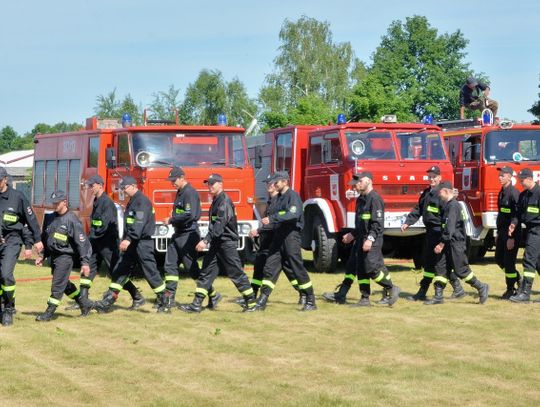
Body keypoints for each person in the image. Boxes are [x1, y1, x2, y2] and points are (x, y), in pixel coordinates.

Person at [179, 174, 256, 313]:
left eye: (212, 184)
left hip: (226, 243)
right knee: (206, 272)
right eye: (208, 184)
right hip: (217, 243)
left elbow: (219, 225)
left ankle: (251, 302)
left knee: (236, 273)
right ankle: (196, 304)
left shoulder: (224, 201)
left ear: (220, 184)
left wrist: (205, 240)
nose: (209, 187)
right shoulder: (216, 200)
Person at [93, 176, 166, 313]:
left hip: (142, 244)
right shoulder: (133, 201)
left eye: (125, 188)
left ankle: (164, 301)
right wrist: (127, 238)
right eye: (121, 189)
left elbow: (139, 223)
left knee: (150, 272)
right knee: (120, 271)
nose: (123, 191)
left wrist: (129, 239)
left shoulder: (142, 202)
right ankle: (107, 301)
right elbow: (131, 223)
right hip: (132, 243)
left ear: (133, 185)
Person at [73, 175, 145, 310]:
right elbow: (95, 224)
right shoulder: (96, 200)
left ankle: (137, 297)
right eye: (89, 186)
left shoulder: (107, 203)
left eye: (92, 185)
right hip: (96, 242)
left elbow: (104, 226)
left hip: (108, 244)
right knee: (88, 268)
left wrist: (92, 236)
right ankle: (83, 300)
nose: (90, 188)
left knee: (116, 271)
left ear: (100, 185)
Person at [249, 171, 317, 311]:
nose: (274, 184)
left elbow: (293, 214)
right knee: (270, 267)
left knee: (296, 267)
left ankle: (310, 300)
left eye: (276, 182)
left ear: (285, 182)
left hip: (291, 236)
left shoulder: (292, 196)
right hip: (278, 236)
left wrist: (272, 219)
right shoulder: (278, 198)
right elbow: (275, 216)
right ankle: (262, 300)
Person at [161, 167, 221, 313]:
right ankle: (169, 299)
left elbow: (191, 215)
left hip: (188, 234)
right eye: (171, 181)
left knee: (192, 269)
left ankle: (213, 294)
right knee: (169, 266)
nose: (172, 183)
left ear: (182, 177)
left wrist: (171, 219)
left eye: (174, 180)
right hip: (178, 234)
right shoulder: (180, 192)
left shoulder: (189, 192)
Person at [401, 166, 464, 303]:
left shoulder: (442, 194)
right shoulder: (426, 193)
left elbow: (447, 215)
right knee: (430, 262)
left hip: (439, 232)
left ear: (439, 178)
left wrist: (444, 236)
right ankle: (453, 289)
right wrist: (408, 222)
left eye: (434, 176)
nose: (431, 179)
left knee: (439, 264)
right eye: (429, 176)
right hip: (430, 232)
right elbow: (418, 209)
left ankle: (438, 293)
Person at [342, 172, 400, 307]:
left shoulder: (375, 199)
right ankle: (364, 298)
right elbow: (360, 224)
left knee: (371, 268)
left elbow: (377, 224)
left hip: (372, 240)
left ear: (368, 181)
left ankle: (391, 288)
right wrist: (352, 235)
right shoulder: (360, 199)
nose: (356, 185)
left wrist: (370, 239)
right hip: (361, 238)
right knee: (361, 269)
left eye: (359, 182)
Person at [35, 191, 94, 321]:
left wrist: (85, 263)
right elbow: (47, 239)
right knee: (64, 284)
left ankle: (49, 312)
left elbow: (82, 243)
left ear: (65, 202)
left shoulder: (72, 220)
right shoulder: (50, 218)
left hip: (65, 257)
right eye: (53, 203)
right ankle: (84, 304)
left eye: (57, 203)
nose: (54, 205)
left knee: (57, 285)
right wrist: (42, 256)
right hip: (54, 257)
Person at [245, 174, 302, 303]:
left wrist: (258, 230)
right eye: (268, 183)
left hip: (274, 241)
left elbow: (275, 222)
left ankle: (303, 293)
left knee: (287, 269)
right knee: (261, 267)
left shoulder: (280, 200)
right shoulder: (271, 201)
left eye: (271, 183)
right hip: (268, 242)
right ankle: (254, 295)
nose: (269, 186)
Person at [432, 181, 489, 304]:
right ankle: (438, 296)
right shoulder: (448, 205)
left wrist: (441, 243)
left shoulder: (454, 206)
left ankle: (481, 287)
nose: (439, 195)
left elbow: (450, 227)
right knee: (440, 268)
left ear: (446, 191)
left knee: (461, 270)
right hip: (447, 242)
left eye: (440, 192)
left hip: (455, 243)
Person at [0, 166, 43, 326]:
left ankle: (9, 310)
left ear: (5, 180)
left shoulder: (17, 197)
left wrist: (36, 240)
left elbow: (31, 220)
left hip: (12, 240)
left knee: (6, 274)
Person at [509, 168, 540, 303]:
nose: (520, 183)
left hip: (538, 230)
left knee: (528, 259)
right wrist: (514, 224)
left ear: (529, 178)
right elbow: (518, 214)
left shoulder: (539, 194)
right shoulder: (523, 196)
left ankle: (525, 293)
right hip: (529, 230)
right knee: (538, 262)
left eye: (522, 180)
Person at [495, 167, 521, 299]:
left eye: (503, 175)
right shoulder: (502, 192)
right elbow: (501, 215)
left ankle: (511, 289)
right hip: (502, 233)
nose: (500, 177)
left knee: (509, 262)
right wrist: (499, 233)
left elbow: (516, 216)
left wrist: (511, 237)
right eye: (499, 175)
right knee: (498, 259)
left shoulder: (514, 193)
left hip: (512, 234)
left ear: (510, 177)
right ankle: (517, 277)